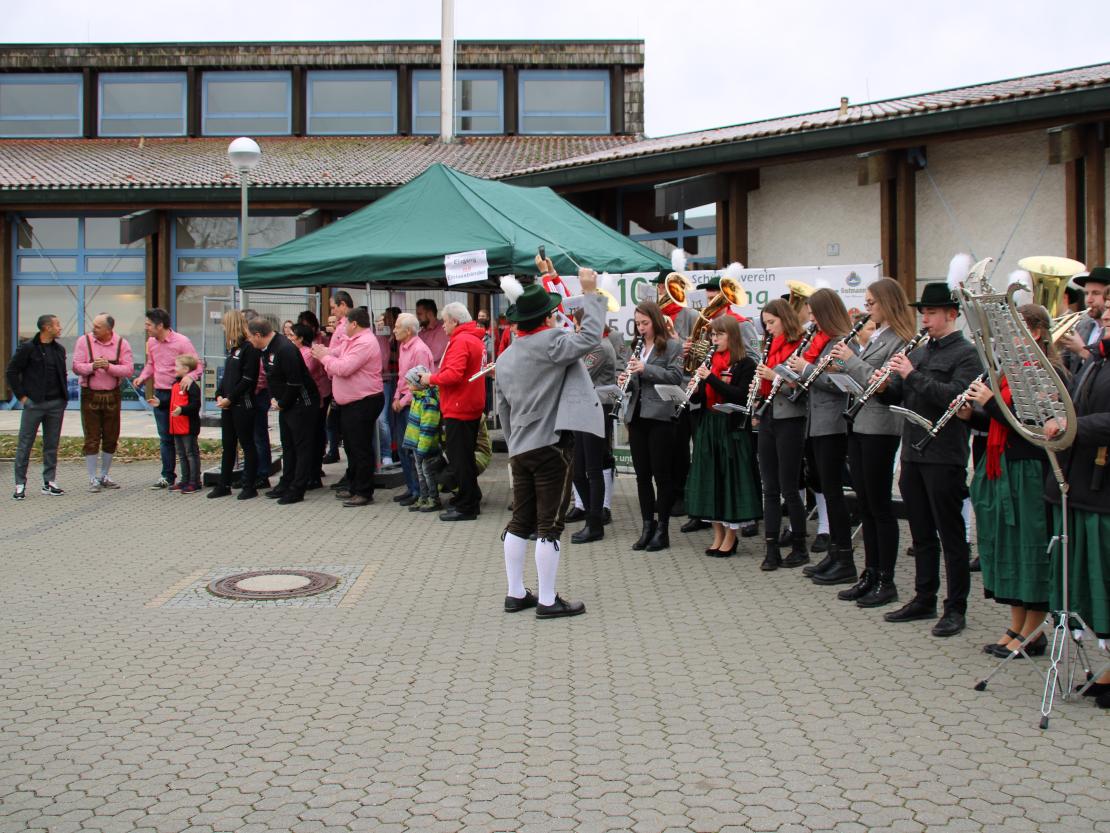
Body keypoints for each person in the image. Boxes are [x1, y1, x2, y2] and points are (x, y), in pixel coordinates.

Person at [496, 268, 608, 619]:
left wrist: (515, 442)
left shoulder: (504, 357)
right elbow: (591, 336)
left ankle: (516, 594)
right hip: (551, 446)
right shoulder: (553, 342)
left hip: (520, 447)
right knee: (549, 525)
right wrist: (591, 293)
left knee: (520, 521)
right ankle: (547, 600)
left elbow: (502, 409)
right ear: (546, 316)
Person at [877, 281, 983, 637]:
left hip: (944, 454)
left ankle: (956, 608)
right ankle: (924, 597)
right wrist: (883, 387)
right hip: (913, 452)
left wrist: (911, 375)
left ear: (952, 314)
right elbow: (904, 394)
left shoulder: (967, 355)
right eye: (923, 312)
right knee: (921, 532)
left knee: (950, 536)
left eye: (932, 312)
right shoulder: (920, 351)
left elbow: (953, 399)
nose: (925, 318)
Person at [966, 304, 1061, 659]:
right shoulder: (1008, 373)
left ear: (1035, 333)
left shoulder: (1045, 373)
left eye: (1013, 331)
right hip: (1003, 467)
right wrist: (970, 416)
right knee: (1008, 548)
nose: (1003, 339)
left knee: (1030, 549)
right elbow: (998, 423)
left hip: (1030, 472)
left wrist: (990, 405)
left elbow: (1030, 425)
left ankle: (1034, 630)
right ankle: (1016, 624)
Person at [829, 278, 918, 607]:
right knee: (865, 503)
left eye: (871, 304)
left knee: (880, 506)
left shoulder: (902, 340)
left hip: (881, 426)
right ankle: (869, 572)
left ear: (888, 303)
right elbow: (862, 378)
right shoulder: (876, 337)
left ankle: (886, 579)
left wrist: (851, 360)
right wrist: (841, 367)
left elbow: (883, 383)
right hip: (860, 421)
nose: (867, 311)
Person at [1045, 303, 1110, 708]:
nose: (1104, 317)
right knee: (1090, 578)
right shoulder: (1096, 359)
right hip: (1083, 484)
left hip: (1104, 489)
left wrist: (1073, 427)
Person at [786, 288, 854, 583]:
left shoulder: (842, 343)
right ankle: (834, 555)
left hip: (833, 425)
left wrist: (806, 369)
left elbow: (839, 382)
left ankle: (844, 557)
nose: (811, 320)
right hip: (815, 423)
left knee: (833, 489)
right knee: (822, 485)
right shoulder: (819, 341)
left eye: (814, 314)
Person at [684, 315, 760, 556]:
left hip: (730, 427)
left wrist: (710, 379)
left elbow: (738, 395)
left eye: (719, 335)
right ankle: (717, 532)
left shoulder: (744, 363)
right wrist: (695, 390)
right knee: (710, 478)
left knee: (729, 479)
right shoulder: (709, 362)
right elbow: (701, 399)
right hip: (708, 424)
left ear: (732, 336)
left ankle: (731, 535)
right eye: (713, 336)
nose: (714, 340)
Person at [619, 300, 685, 552]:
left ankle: (663, 529)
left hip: (660, 416)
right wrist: (625, 378)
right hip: (636, 415)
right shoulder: (635, 347)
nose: (641, 328)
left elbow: (676, 377)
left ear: (655, 321)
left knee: (661, 474)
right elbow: (635, 381)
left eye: (645, 323)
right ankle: (647, 526)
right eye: (637, 324)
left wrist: (646, 369)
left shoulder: (672, 345)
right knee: (642, 476)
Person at [753, 299, 809, 570]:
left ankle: (800, 546)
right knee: (770, 487)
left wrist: (774, 377)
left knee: (789, 487)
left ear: (785, 320)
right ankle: (771, 547)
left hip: (790, 419)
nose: (768, 328)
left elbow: (801, 390)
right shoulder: (770, 346)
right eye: (765, 324)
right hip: (768, 417)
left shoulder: (798, 345)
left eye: (772, 323)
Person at [418, 303, 486, 521]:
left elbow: (453, 375)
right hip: (469, 404)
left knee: (460, 459)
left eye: (445, 321)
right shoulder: (473, 339)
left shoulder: (461, 341)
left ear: (455, 321)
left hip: (460, 406)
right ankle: (470, 495)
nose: (443, 325)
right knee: (463, 456)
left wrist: (431, 379)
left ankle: (468, 506)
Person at [312, 307, 382, 507]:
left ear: (354, 324)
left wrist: (323, 358)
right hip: (352, 403)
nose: (341, 328)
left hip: (363, 402)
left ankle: (364, 491)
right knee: (351, 447)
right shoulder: (353, 340)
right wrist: (325, 352)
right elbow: (337, 352)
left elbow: (343, 367)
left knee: (360, 448)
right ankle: (354, 485)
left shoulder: (365, 343)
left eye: (344, 324)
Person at [249, 318, 319, 505]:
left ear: (258, 335)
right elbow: (273, 378)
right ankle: (286, 482)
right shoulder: (267, 350)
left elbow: (295, 382)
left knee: (301, 447)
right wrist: (276, 399)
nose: (250, 341)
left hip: (301, 404)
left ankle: (298, 488)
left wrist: (283, 401)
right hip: (285, 404)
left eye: (250, 337)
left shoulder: (284, 349)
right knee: (287, 444)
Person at [134, 308, 203, 490]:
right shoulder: (151, 342)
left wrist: (190, 377)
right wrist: (142, 377)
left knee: (183, 439)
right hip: (161, 393)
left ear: (160, 325)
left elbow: (197, 366)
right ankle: (167, 476)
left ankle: (191, 478)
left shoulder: (182, 342)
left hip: (179, 394)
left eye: (149, 324)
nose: (146, 328)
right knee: (165, 437)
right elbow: (151, 364)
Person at [568, 306, 617, 543]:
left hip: (597, 408)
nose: (576, 330)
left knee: (593, 469)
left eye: (578, 326)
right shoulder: (588, 345)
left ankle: (595, 522)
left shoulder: (599, 346)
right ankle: (591, 514)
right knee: (578, 470)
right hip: (582, 408)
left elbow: (579, 373)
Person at [71, 312, 134, 492]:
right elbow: (76, 366)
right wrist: (92, 366)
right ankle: (92, 478)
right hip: (90, 394)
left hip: (112, 394)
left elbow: (128, 370)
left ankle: (105, 474)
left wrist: (108, 367)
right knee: (91, 437)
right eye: (94, 325)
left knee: (111, 435)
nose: (93, 329)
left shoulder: (122, 343)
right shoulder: (84, 341)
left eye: (98, 327)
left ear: (109, 330)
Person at [8, 313, 68, 500]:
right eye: (57, 325)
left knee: (51, 444)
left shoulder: (59, 349)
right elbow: (12, 371)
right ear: (46, 328)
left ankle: (49, 482)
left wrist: (62, 398)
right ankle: (20, 484)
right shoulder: (28, 348)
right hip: (34, 404)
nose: (60, 328)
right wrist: (23, 397)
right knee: (25, 444)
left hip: (56, 404)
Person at [208, 310, 260, 500]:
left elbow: (247, 379)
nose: (222, 329)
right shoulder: (234, 349)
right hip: (229, 405)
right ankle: (224, 484)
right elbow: (228, 376)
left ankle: (249, 485)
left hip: (242, 404)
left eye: (224, 325)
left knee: (247, 444)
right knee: (228, 445)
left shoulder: (249, 349)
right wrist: (219, 393)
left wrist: (231, 397)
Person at [392, 313, 434, 506]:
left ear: (408, 331)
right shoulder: (403, 346)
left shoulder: (419, 350)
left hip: (415, 405)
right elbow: (402, 378)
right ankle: (412, 488)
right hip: (403, 402)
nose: (393, 330)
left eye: (397, 326)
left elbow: (422, 382)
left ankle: (421, 492)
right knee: (403, 448)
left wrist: (405, 400)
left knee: (414, 451)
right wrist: (395, 397)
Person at [291, 323, 328, 490]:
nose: (289, 339)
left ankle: (313, 474)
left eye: (292, 336)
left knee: (313, 438)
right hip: (306, 401)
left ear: (300, 338)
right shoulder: (297, 353)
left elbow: (301, 375)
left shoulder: (308, 354)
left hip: (314, 400)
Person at [165, 354, 202, 494]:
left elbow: (195, 405)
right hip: (176, 426)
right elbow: (172, 402)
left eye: (177, 366)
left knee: (191, 453)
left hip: (188, 426)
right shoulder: (175, 384)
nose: (174, 368)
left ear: (186, 369)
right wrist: (160, 403)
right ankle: (185, 480)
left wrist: (182, 410)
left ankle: (195, 481)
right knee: (181, 454)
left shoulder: (191, 386)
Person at [1060, 267, 1108, 373]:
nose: (1089, 300)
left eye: (1096, 293)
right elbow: (1063, 365)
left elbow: (1104, 371)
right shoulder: (1081, 325)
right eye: (1086, 293)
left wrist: (1082, 350)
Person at [416, 298, 450, 371]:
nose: (418, 317)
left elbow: (433, 355)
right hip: (424, 376)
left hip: (436, 377)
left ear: (430, 314)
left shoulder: (442, 331)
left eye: (420, 314)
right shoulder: (422, 332)